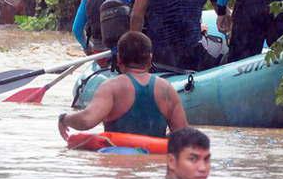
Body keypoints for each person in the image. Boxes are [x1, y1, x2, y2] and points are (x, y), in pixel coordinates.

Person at [58, 31, 188, 140]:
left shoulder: (111, 87)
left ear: (119, 59)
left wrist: (65, 119)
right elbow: (183, 135)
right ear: (150, 59)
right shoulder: (167, 89)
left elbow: (87, 120)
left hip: (118, 162)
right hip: (154, 165)